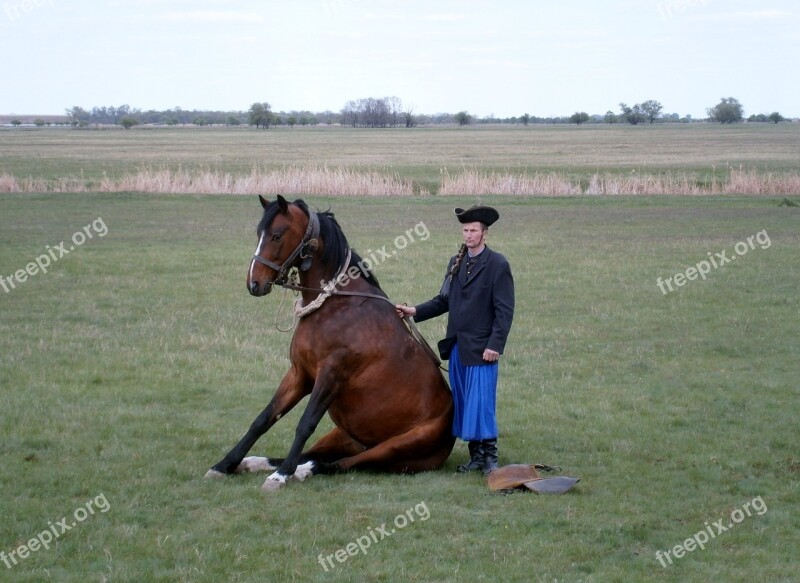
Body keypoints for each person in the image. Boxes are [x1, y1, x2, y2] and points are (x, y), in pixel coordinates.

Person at [396, 205, 514, 475]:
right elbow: (444, 301)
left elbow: (504, 311)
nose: (468, 234)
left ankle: (490, 459)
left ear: (484, 233)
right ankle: (475, 458)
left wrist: (495, 345)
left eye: (473, 230)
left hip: (483, 348)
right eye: (465, 230)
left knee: (481, 403)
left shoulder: (498, 264)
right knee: (463, 401)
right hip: (458, 346)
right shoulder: (456, 262)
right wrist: (414, 311)